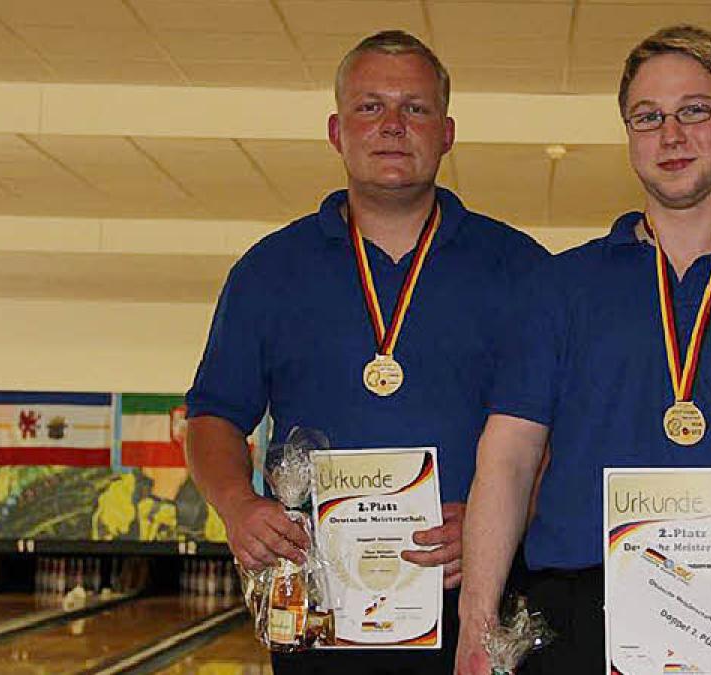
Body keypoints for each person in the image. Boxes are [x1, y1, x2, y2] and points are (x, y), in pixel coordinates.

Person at [455, 24, 711, 675]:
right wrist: (478, 620)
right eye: (648, 117)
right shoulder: (557, 289)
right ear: (629, 134)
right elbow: (507, 459)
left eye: (694, 110)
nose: (671, 135)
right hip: (576, 619)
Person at [184, 30, 547, 675]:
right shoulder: (269, 271)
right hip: (320, 606)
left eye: (415, 108)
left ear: (448, 132)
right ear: (336, 130)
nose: (392, 125)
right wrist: (238, 505)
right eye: (370, 106)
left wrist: (501, 522)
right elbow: (213, 415)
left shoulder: (521, 269)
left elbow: (563, 430)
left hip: (476, 608)